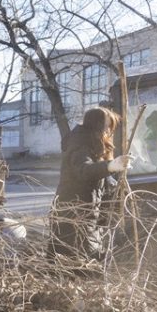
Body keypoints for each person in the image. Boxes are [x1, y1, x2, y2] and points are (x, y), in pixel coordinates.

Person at [48, 107, 130, 261]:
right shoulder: (80, 142)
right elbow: (84, 170)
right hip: (74, 214)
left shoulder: (91, 143)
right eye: (106, 126)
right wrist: (110, 166)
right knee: (79, 263)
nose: (108, 132)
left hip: (87, 214)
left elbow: (100, 182)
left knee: (87, 259)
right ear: (96, 125)